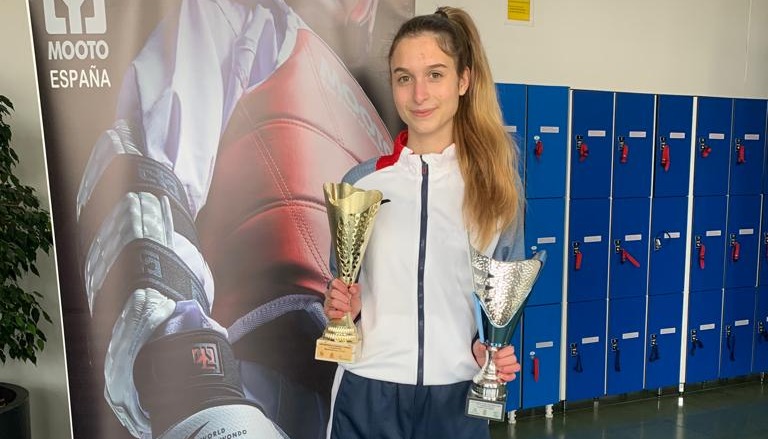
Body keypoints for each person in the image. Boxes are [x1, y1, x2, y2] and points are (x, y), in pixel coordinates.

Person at [73, 1, 397, 438]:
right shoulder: (244, 24)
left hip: (354, 398)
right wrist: (199, 393)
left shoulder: (386, 136)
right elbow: (144, 173)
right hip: (247, 388)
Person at [323, 6, 524, 439]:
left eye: (435, 74)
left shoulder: (493, 193)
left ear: (463, 80)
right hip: (368, 391)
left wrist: (488, 348)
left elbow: (498, 311)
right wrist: (344, 309)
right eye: (404, 77)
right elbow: (341, 288)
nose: (419, 95)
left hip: (455, 396)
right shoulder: (362, 182)